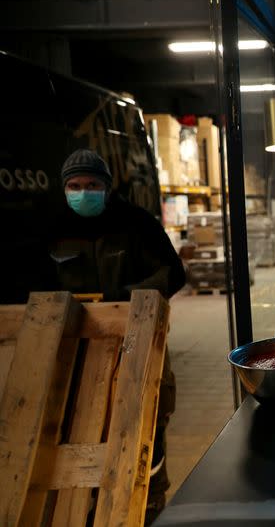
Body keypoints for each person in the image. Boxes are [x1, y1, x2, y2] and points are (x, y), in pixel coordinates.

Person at [49, 149, 185, 523]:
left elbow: (173, 274)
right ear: (64, 189)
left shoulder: (136, 224)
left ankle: (151, 504)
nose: (83, 192)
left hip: (137, 349)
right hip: (76, 360)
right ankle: (89, 510)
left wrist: (126, 300)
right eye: (74, 186)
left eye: (91, 185)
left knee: (146, 433)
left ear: (106, 188)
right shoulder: (53, 229)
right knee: (81, 433)